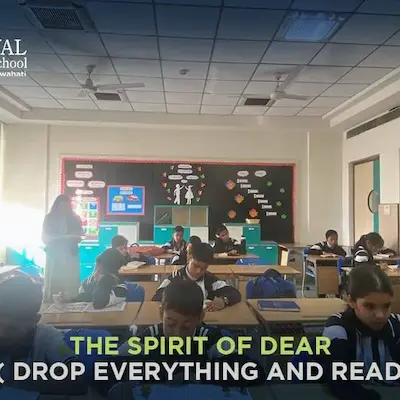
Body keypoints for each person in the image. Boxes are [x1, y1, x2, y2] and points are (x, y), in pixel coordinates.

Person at [322, 265, 400, 400]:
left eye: (386, 306)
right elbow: (338, 380)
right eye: (369, 306)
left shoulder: (396, 324)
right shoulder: (338, 327)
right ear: (351, 301)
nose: (380, 315)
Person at [0, 275, 87, 395]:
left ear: (35, 320)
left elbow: (77, 376)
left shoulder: (50, 339)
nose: (2, 333)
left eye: (12, 328)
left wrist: (25, 379)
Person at [153, 242, 241, 310]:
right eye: (195, 266)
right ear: (189, 258)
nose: (199, 271)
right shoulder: (175, 277)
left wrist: (224, 300)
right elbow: (157, 296)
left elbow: (234, 293)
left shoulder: (209, 279)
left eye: (203, 268)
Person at [42, 194, 83, 302]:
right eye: (61, 206)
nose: (64, 209)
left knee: (70, 281)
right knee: (54, 280)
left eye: (66, 206)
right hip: (55, 255)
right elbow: (45, 237)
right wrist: (60, 238)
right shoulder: (49, 218)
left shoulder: (75, 218)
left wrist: (72, 238)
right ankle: (51, 302)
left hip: (70, 254)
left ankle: (72, 301)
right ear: (56, 206)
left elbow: (80, 235)